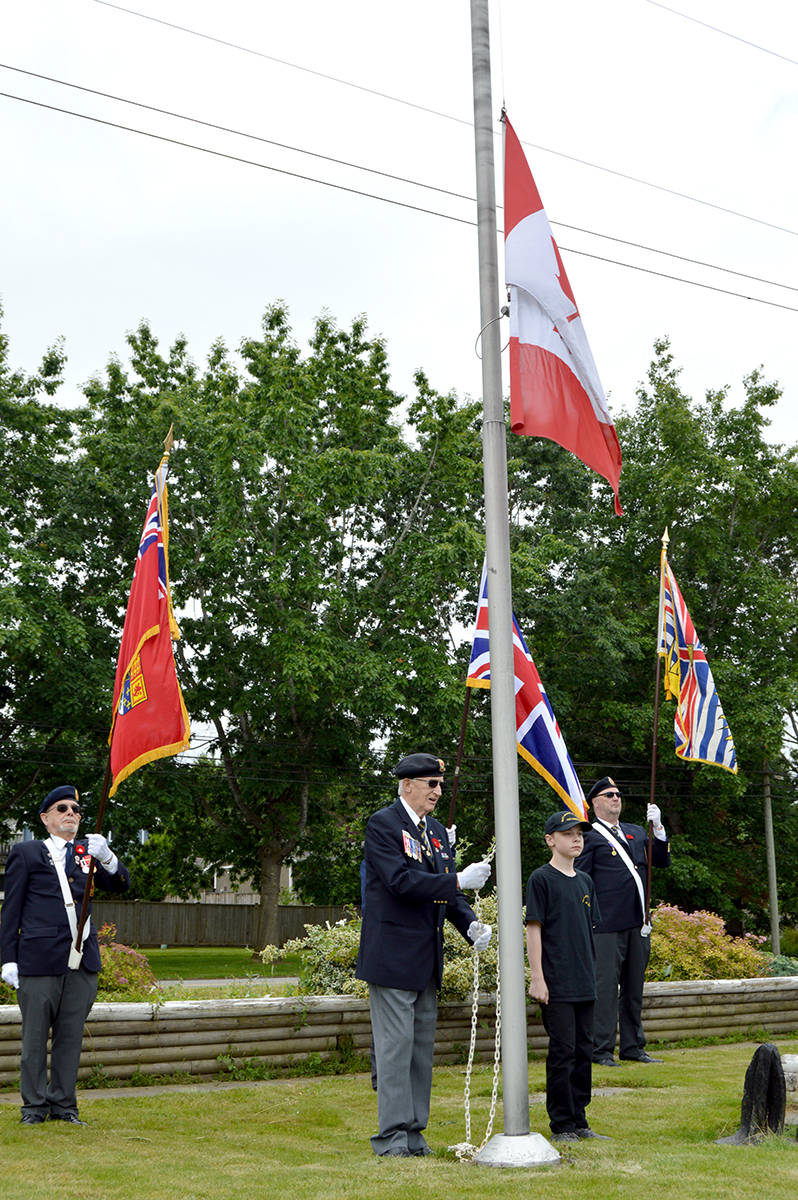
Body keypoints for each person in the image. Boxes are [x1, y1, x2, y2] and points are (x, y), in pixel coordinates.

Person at [356, 752, 492, 1157]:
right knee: (395, 1052)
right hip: (393, 957)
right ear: (407, 785)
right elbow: (401, 881)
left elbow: (443, 894)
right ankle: (392, 1137)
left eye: (439, 784)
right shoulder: (383, 825)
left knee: (418, 1054)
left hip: (426, 959)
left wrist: (468, 924)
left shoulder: (433, 831)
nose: (437, 790)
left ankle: (414, 1133)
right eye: (430, 783)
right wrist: (457, 878)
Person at [0, 784, 131, 1125]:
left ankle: (64, 1107)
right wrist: (7, 958)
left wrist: (107, 857)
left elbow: (120, 885)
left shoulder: (87, 853)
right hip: (38, 960)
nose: (71, 813)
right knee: (33, 1040)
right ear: (45, 818)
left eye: (75, 809)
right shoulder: (28, 853)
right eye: (62, 808)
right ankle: (33, 1108)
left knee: (70, 1040)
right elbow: (10, 909)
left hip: (81, 961)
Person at [575, 776, 670, 1067]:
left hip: (638, 924)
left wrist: (659, 830)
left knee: (634, 988)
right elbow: (580, 879)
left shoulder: (635, 832)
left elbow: (660, 862)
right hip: (606, 926)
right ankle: (600, 1049)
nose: (616, 798)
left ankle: (633, 1046)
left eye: (618, 793)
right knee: (605, 989)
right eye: (609, 794)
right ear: (595, 803)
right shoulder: (588, 836)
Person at [525, 809, 607, 1143]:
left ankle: (580, 1118)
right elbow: (534, 930)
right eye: (568, 834)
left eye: (580, 834)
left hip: (584, 980)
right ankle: (561, 1124)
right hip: (556, 983)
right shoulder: (541, 879)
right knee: (563, 1050)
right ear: (550, 840)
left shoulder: (586, 881)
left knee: (584, 1050)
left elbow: (589, 931)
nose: (576, 839)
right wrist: (538, 977)